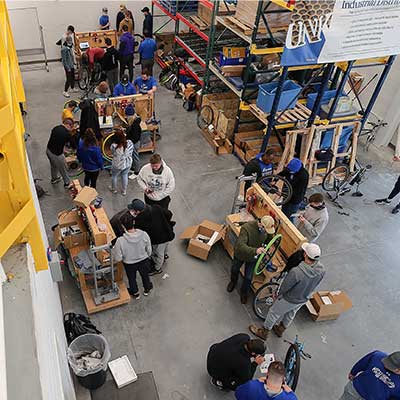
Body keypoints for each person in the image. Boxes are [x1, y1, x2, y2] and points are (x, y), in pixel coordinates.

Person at [249, 243, 325, 340]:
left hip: (290, 299)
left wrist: (276, 294)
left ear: (305, 255)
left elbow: (285, 286)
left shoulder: (297, 272)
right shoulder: (322, 270)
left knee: (273, 312)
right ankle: (280, 330)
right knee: (291, 313)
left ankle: (264, 332)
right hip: (304, 298)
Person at [226, 216, 275, 304]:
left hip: (253, 257)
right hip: (241, 254)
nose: (267, 233)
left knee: (248, 277)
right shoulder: (246, 228)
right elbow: (241, 246)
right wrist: (255, 250)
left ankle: (244, 293)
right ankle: (233, 282)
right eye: (266, 230)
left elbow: (270, 239)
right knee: (235, 269)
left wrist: (267, 249)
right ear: (261, 224)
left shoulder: (266, 230)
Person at [128, 199, 175, 275]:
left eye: (134, 211)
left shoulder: (140, 219)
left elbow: (139, 232)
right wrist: (165, 223)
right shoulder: (156, 207)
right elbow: (169, 214)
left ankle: (157, 268)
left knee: (158, 253)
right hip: (167, 231)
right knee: (165, 247)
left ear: (138, 211)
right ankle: (165, 255)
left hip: (158, 239)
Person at [113, 212, 153, 299]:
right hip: (144, 260)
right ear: (134, 222)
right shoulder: (144, 234)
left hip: (129, 264)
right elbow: (149, 250)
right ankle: (147, 289)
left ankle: (135, 293)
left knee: (132, 279)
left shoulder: (120, 241)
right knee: (145, 276)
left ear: (123, 226)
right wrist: (146, 256)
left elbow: (118, 258)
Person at [46, 118, 74, 187]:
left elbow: (57, 140)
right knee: (63, 169)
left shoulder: (56, 128)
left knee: (53, 166)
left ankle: (54, 179)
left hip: (48, 150)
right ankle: (67, 183)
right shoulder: (67, 134)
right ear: (68, 125)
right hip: (57, 155)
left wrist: (63, 150)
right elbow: (73, 145)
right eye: (71, 126)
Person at [109, 129, 134, 196]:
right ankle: (124, 191)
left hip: (117, 164)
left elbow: (113, 153)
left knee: (114, 176)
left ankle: (114, 189)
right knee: (125, 175)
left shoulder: (114, 146)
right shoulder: (130, 143)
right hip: (127, 163)